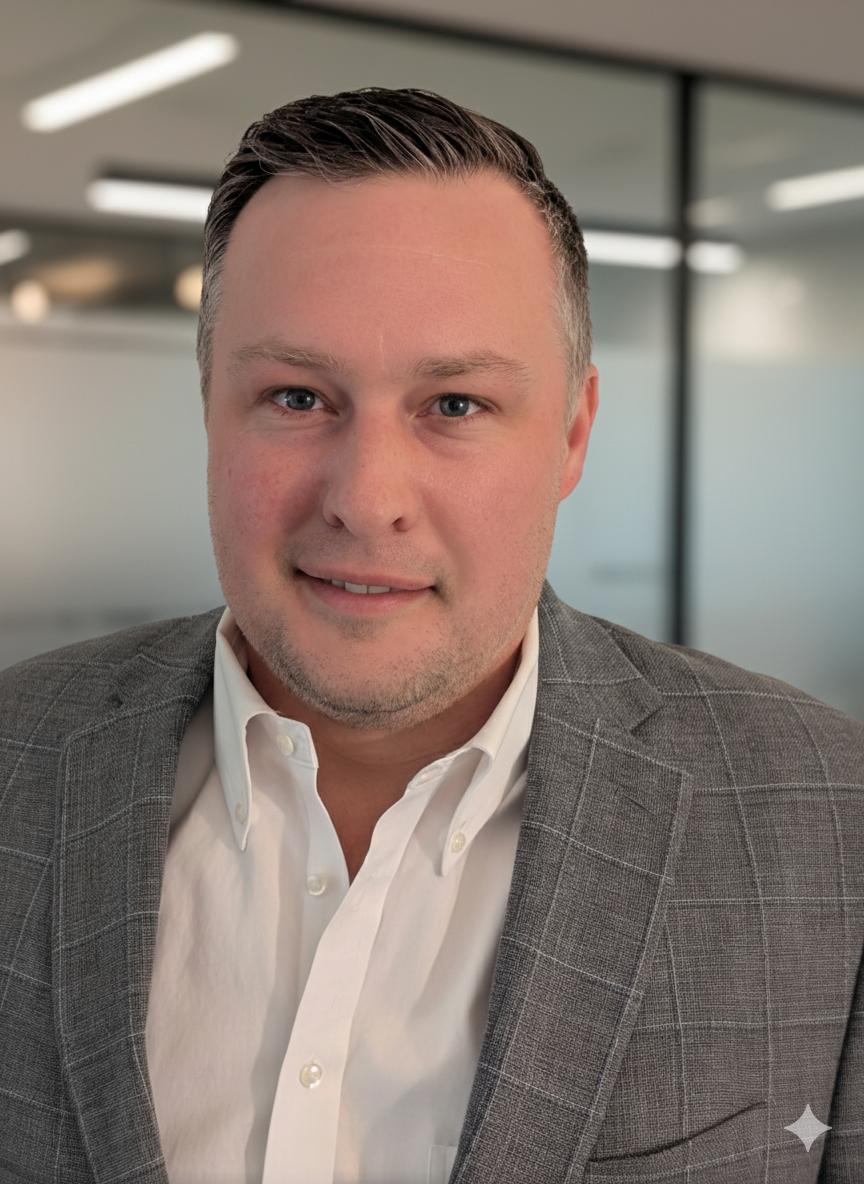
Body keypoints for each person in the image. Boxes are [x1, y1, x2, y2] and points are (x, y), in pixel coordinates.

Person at [0, 88, 862, 1184]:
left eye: (454, 404)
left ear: (572, 435)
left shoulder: (832, 820)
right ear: (209, 407)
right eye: (298, 395)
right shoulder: (13, 760)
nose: (367, 499)